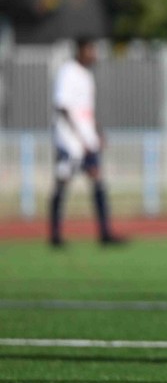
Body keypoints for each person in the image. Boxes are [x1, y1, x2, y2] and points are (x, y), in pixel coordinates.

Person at [48, 37, 123, 247]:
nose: (94, 55)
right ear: (81, 51)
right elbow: (62, 107)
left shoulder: (87, 76)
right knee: (62, 181)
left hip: (87, 139)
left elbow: (86, 111)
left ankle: (105, 233)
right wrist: (78, 136)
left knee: (97, 178)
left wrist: (97, 132)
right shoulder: (68, 72)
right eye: (91, 50)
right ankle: (55, 235)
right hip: (69, 140)